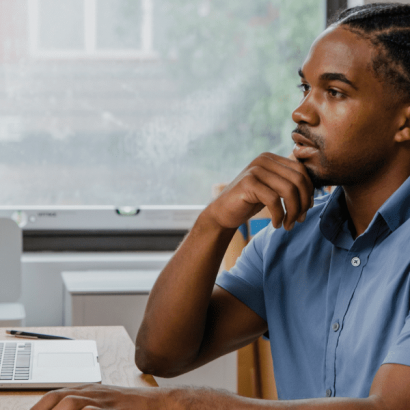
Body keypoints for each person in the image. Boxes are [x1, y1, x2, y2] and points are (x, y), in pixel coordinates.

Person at [32, 3, 410, 409]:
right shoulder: (290, 239)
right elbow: (160, 354)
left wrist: (180, 404)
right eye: (305, 88)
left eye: (335, 92)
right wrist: (214, 221)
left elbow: (386, 407)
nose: (300, 112)